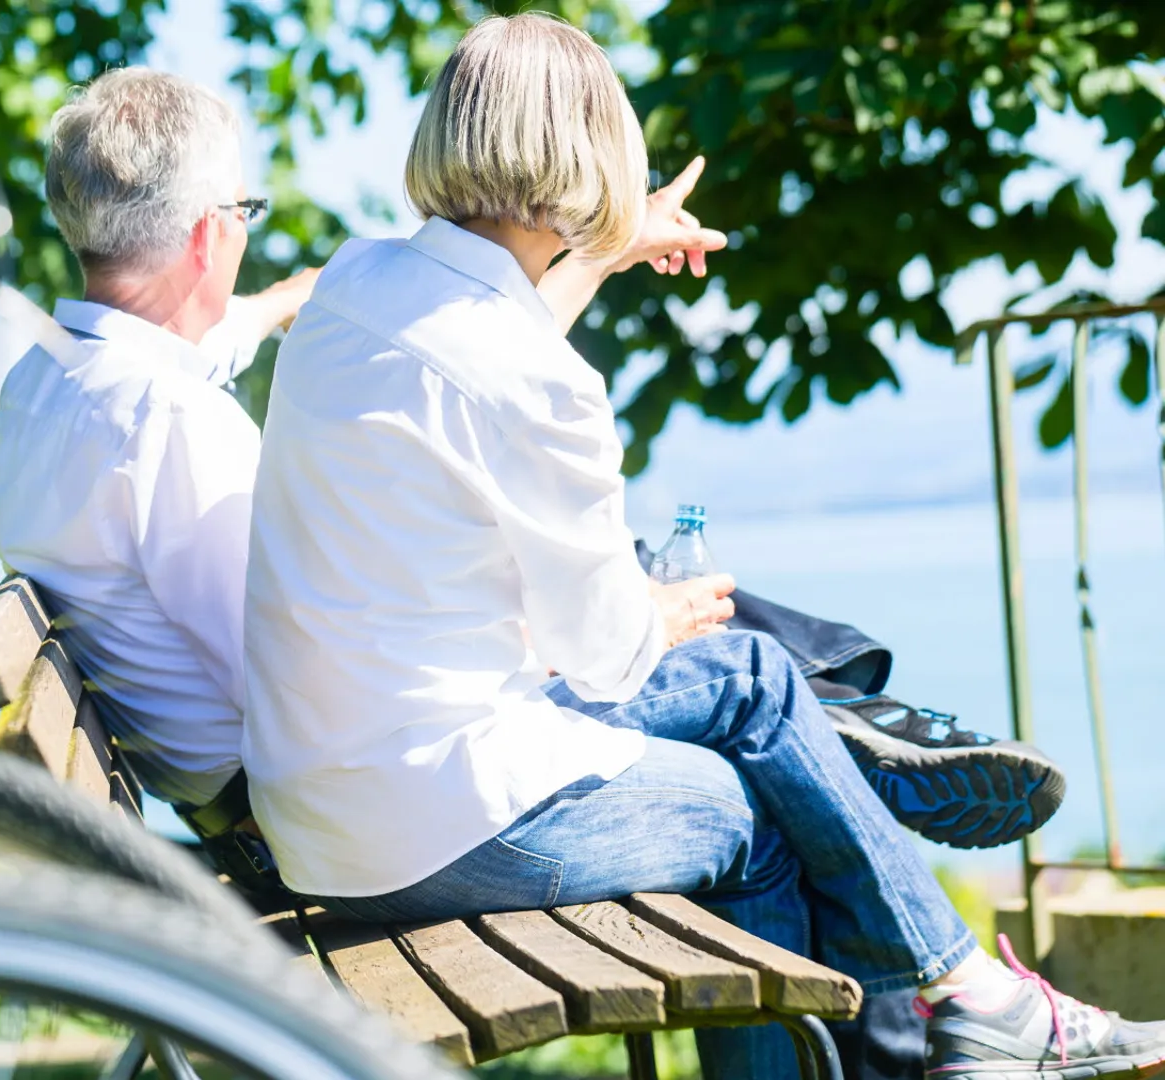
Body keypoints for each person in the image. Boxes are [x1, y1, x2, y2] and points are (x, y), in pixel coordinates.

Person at [238, 13, 1164, 1079]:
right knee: (767, 813)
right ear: (591, 158)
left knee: (757, 679)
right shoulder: (540, 383)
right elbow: (605, 656)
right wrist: (658, 612)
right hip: (434, 829)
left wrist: (606, 252)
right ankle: (963, 993)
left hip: (323, 800)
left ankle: (961, 991)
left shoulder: (354, 286)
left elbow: (490, 346)